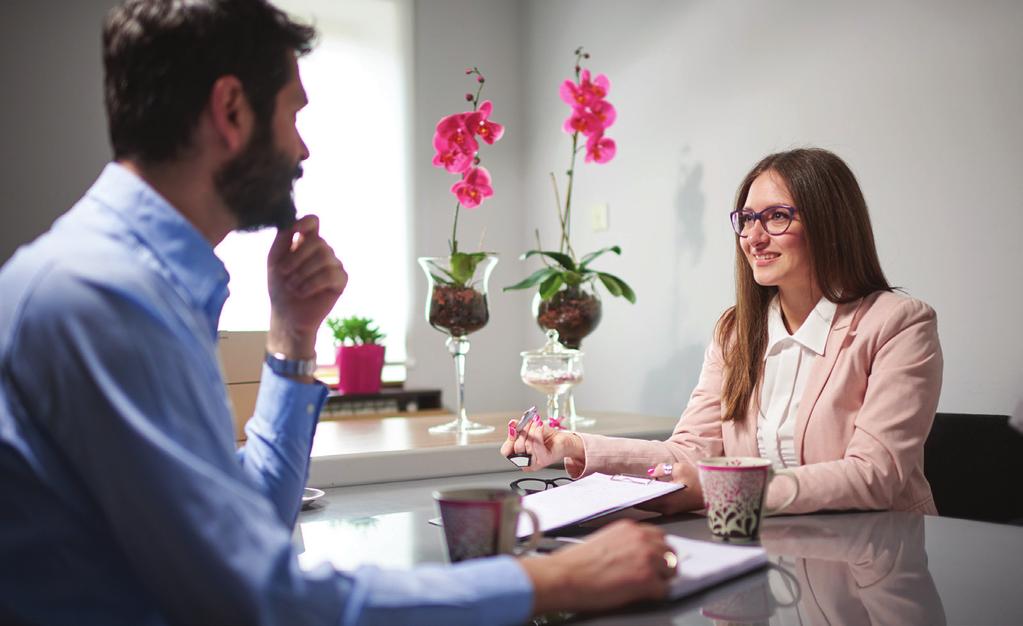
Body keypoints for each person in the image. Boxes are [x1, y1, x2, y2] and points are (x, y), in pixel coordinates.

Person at [0, 1, 677, 624]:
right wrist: (553, 582)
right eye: (293, 114)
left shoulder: (135, 288)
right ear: (231, 110)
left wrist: (293, 337)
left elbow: (250, 520)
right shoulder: (101, 299)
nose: (303, 149)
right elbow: (252, 598)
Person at [504, 148, 943, 516]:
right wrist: (569, 445)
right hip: (770, 554)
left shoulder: (899, 325)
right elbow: (689, 454)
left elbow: (875, 476)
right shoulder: (736, 332)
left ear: (830, 225)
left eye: (776, 217)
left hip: (879, 567)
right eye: (747, 219)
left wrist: (723, 491)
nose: (753, 236)